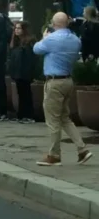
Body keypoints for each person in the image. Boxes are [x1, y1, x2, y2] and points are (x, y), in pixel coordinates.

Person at [33, 12, 93, 166]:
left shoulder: (52, 39)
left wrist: (44, 37)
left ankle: (54, 155)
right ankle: (82, 149)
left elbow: (36, 49)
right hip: (68, 80)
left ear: (54, 24)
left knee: (53, 120)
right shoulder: (75, 39)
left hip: (54, 82)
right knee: (65, 118)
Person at [8, 20, 37, 124]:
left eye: (19, 28)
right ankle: (21, 114)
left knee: (26, 93)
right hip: (17, 72)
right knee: (20, 93)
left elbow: (30, 59)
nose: (16, 30)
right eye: (15, 28)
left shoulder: (29, 42)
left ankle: (28, 115)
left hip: (25, 72)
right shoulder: (15, 43)